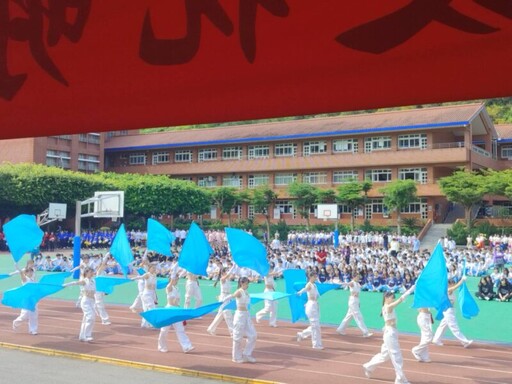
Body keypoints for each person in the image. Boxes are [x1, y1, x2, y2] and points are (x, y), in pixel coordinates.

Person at [363, 287, 415, 384]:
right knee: (396, 356)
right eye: (391, 297)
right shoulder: (388, 306)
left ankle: (368, 366)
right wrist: (412, 289)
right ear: (386, 298)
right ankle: (400, 379)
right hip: (390, 333)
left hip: (391, 332)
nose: (393, 298)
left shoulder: (387, 306)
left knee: (384, 355)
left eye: (393, 296)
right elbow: (401, 299)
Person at [432, 277, 473, 348]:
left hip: (450, 310)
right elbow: (454, 287)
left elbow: (454, 287)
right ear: (449, 284)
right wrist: (462, 280)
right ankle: (465, 341)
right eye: (452, 284)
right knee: (454, 327)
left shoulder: (450, 290)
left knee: (442, 326)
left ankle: (436, 339)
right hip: (448, 311)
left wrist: (461, 281)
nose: (453, 285)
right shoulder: (447, 290)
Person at [224, 276, 257, 363]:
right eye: (246, 283)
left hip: (246, 315)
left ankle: (246, 354)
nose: (247, 285)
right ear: (242, 283)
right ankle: (236, 357)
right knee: (237, 337)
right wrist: (222, 299)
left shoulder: (246, 292)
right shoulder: (239, 291)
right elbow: (231, 296)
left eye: (248, 283)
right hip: (239, 316)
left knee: (253, 335)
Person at [157, 277, 195, 353]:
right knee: (164, 330)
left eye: (177, 279)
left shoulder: (177, 289)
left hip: (176, 310)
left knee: (180, 329)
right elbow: (169, 285)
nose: (176, 281)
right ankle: (161, 346)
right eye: (175, 279)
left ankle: (186, 346)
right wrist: (172, 278)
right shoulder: (169, 287)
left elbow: (177, 301)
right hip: (169, 310)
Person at [64, 267, 98, 342]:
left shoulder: (93, 281)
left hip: (92, 301)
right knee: (90, 317)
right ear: (86, 273)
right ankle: (87, 335)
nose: (92, 273)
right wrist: (66, 284)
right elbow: (76, 283)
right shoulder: (85, 281)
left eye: (92, 272)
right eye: (90, 272)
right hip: (86, 301)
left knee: (87, 319)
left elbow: (95, 291)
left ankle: (82, 336)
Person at [336, 273, 373, 338]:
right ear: (354, 277)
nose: (358, 278)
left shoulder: (358, 284)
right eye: (357, 277)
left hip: (356, 300)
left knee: (349, 316)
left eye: (359, 277)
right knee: (358, 316)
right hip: (352, 300)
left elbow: (361, 288)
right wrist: (340, 283)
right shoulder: (352, 283)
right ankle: (365, 332)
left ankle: (340, 329)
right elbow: (347, 284)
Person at [296, 270, 323, 350]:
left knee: (316, 325)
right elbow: (305, 289)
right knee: (315, 326)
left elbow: (317, 295)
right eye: (314, 277)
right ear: (310, 277)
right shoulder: (309, 284)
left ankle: (301, 334)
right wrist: (300, 292)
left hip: (315, 304)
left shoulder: (314, 285)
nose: (316, 278)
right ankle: (315, 344)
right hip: (311, 305)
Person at [207, 267, 234, 335]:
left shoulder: (228, 280)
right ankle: (232, 331)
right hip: (224, 297)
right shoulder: (222, 279)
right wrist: (233, 266)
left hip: (227, 297)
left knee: (221, 315)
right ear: (223, 272)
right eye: (226, 271)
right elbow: (229, 274)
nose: (227, 272)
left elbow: (231, 275)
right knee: (227, 314)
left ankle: (211, 328)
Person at [12, 264, 38, 335]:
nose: (31, 273)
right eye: (29, 272)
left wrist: (34, 268)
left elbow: (34, 274)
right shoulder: (25, 279)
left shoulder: (33, 279)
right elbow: (21, 273)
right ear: (26, 273)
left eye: (31, 272)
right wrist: (18, 267)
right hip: (26, 300)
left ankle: (33, 330)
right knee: (24, 315)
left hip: (33, 299)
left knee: (34, 315)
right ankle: (16, 322)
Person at [131, 262, 158, 328]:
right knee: (152, 308)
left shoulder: (154, 275)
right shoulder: (147, 274)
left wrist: (155, 297)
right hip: (146, 294)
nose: (154, 269)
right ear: (149, 268)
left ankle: (144, 324)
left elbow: (154, 288)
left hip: (152, 294)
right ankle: (152, 323)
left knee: (146, 309)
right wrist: (133, 278)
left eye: (154, 268)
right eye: (153, 268)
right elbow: (140, 277)